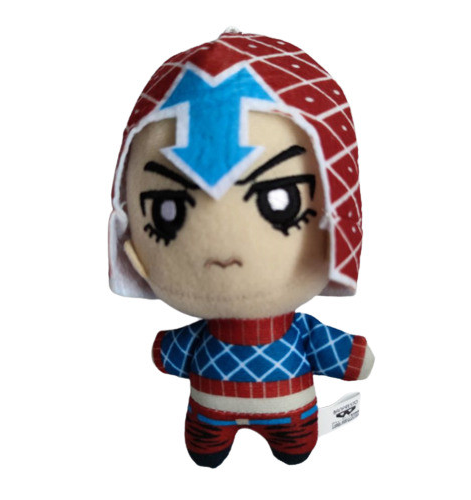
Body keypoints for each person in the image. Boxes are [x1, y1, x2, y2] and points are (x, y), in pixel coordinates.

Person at [109, 30, 374, 467]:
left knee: (291, 446)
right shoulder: (286, 335)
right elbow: (168, 352)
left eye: (281, 201)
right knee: (208, 447)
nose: (223, 251)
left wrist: (352, 357)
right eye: (166, 210)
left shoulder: (299, 332)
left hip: (282, 413)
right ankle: (222, 442)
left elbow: (170, 354)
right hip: (215, 414)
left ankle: (287, 440)